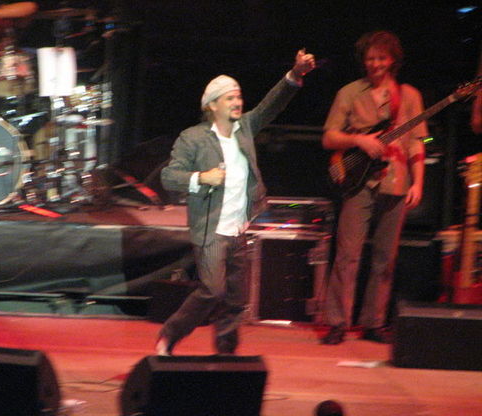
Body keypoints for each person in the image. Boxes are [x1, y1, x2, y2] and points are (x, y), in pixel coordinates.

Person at [155, 49, 316, 355]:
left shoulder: (245, 128)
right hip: (210, 229)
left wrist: (296, 74)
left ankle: (226, 355)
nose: (238, 102)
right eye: (230, 98)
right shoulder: (193, 138)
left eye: (239, 96)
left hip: (238, 229)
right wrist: (202, 177)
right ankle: (169, 334)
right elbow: (168, 177)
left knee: (235, 299)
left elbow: (272, 104)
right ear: (212, 105)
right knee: (212, 290)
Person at [320, 30, 427, 345]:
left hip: (396, 181)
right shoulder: (350, 92)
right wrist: (359, 140)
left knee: (385, 258)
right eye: (370, 58)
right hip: (359, 182)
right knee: (347, 255)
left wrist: (418, 181)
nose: (375, 63)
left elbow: (417, 142)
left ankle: (374, 322)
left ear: (392, 60)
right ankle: (337, 323)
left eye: (381, 58)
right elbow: (329, 137)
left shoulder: (409, 96)